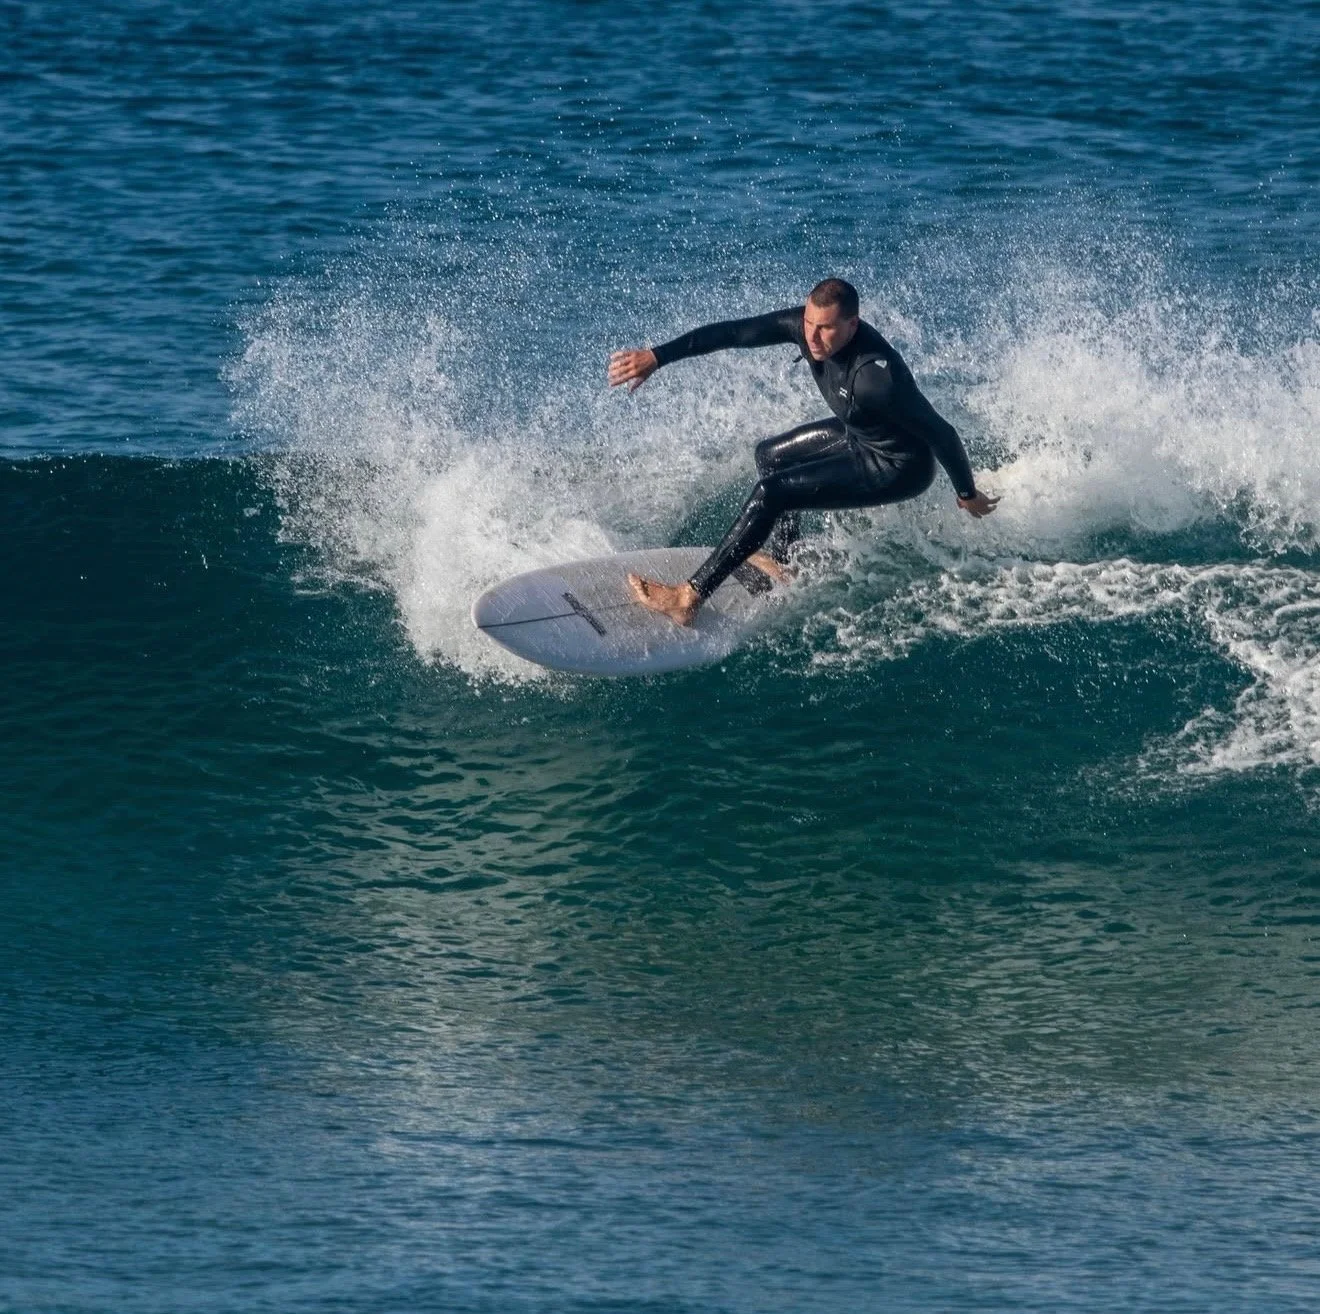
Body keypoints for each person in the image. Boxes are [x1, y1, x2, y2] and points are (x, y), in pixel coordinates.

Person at [607, 278, 999, 626]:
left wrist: (966, 492)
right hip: (860, 433)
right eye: (810, 324)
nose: (812, 338)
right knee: (770, 457)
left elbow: (943, 434)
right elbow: (733, 333)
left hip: (898, 467)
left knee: (772, 492)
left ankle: (687, 597)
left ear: (852, 325)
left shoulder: (877, 379)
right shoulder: (806, 327)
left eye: (825, 328)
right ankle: (785, 561)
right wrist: (658, 356)